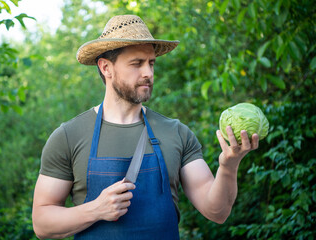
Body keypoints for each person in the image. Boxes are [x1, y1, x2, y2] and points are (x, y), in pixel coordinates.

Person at [32, 15, 259, 240]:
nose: (148, 73)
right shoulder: (69, 136)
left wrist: (229, 166)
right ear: (105, 68)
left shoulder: (176, 133)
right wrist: (96, 209)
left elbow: (217, 212)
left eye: (151, 63)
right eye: (136, 63)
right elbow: (42, 224)